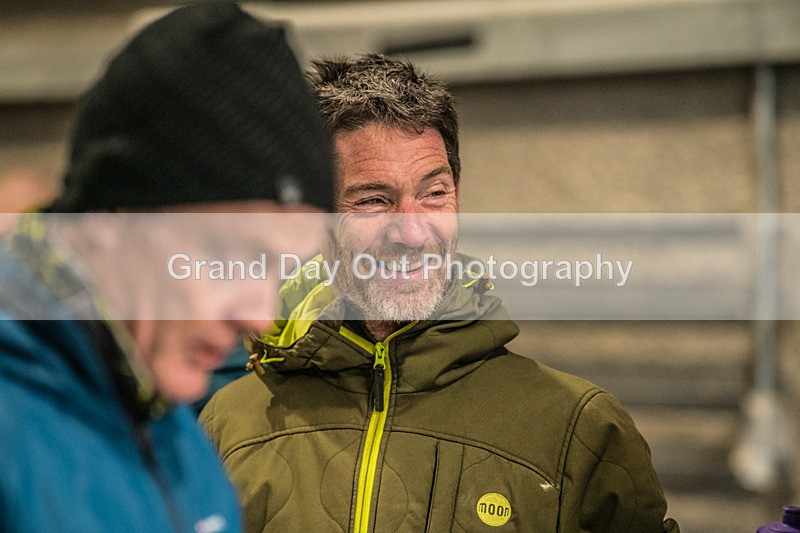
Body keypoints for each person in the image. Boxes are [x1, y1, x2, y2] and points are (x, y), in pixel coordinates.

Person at [199, 54, 679, 532]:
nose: (412, 232)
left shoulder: (578, 429)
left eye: (434, 194)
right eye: (373, 201)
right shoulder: (232, 424)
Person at [0, 3, 334, 532]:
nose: (261, 318)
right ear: (110, 220)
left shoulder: (177, 439)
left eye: (281, 270)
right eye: (238, 258)